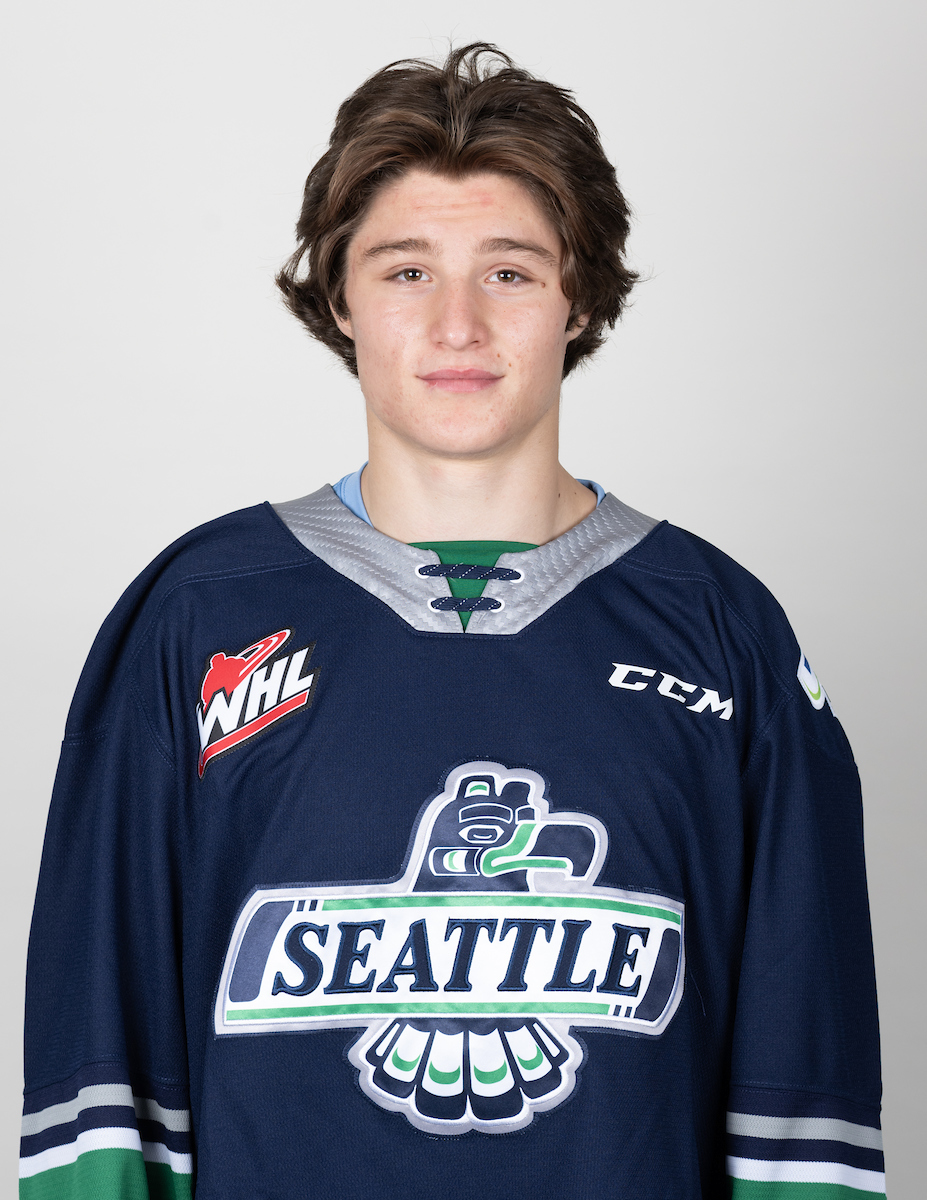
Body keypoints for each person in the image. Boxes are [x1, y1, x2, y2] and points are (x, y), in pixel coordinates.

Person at [20, 43, 883, 1200]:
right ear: (341, 298)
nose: (459, 324)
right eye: (408, 271)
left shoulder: (726, 634)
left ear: (581, 296)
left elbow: (805, 1117)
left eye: (510, 272)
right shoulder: (194, 618)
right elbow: (97, 1090)